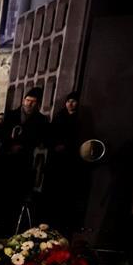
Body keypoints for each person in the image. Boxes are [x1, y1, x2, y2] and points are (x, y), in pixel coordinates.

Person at [0, 87, 47, 234]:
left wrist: (24, 146)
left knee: (16, 196)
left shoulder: (41, 120)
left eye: (33, 102)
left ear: (38, 104)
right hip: (6, 161)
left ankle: (13, 225)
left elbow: (40, 139)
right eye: (27, 101)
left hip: (24, 162)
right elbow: (1, 134)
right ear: (23, 101)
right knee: (1, 194)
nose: (29, 104)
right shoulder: (11, 115)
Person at [41, 91, 86, 232]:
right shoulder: (59, 116)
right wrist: (55, 145)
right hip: (56, 160)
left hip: (70, 161)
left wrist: (67, 146)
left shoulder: (80, 119)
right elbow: (50, 135)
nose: (70, 104)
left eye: (73, 101)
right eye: (68, 101)